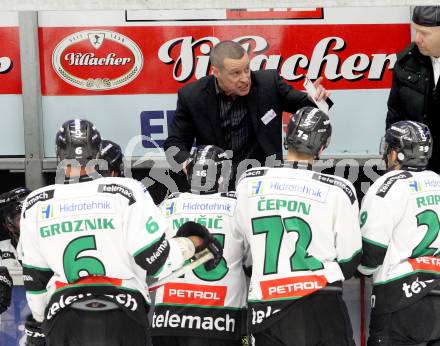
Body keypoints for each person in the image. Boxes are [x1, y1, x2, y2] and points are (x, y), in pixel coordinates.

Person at [20, 119, 222, 346]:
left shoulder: (36, 202)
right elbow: (156, 261)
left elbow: (35, 280)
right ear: (97, 154)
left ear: (58, 155)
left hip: (65, 315)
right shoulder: (125, 191)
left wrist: (40, 320)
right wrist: (191, 243)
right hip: (123, 313)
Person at [234, 107, 361, 346]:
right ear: (322, 148)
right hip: (321, 299)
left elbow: (245, 254)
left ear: (286, 138)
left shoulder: (249, 182)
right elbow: (350, 260)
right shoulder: (339, 189)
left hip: (268, 304)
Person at [164, 40, 330, 188]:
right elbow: (174, 143)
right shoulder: (192, 96)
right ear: (216, 72)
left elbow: (305, 105)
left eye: (247, 69)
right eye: (236, 73)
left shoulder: (268, 83)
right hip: (217, 185)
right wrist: (189, 164)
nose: (245, 78)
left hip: (264, 181)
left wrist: (315, 98)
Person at [151, 145, 250, 346]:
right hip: (222, 322)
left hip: (167, 321)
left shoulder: (167, 205)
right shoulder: (238, 205)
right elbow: (252, 263)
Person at [357, 121, 440, 345]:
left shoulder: (387, 185)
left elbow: (370, 255)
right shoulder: (438, 181)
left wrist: (359, 268)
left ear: (396, 153)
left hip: (399, 301)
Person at [386, 6, 440, 173]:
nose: (417, 39)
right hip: (414, 169)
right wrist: (392, 163)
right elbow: (394, 117)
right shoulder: (406, 63)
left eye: (424, 33)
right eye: (416, 31)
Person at [0, 188, 30, 315]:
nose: (29, 223)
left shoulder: (51, 246)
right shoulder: (2, 248)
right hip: (10, 324)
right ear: (9, 225)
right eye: (20, 219)